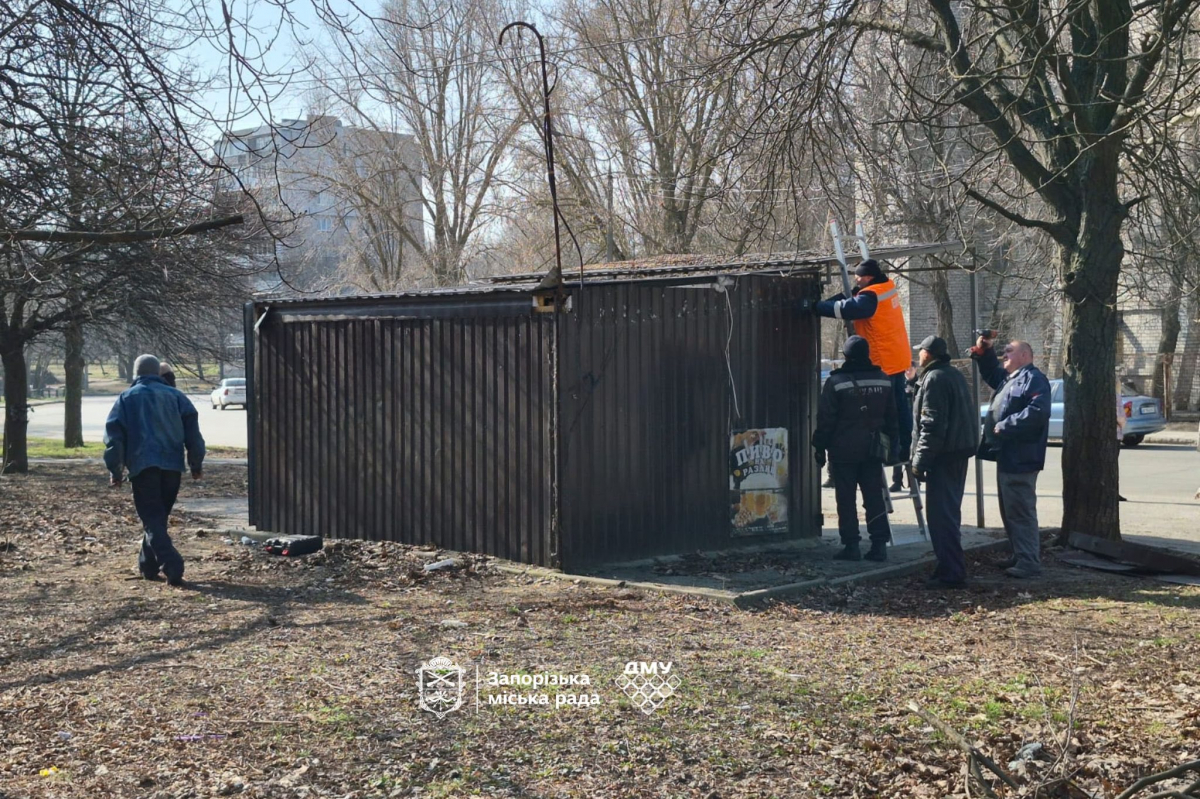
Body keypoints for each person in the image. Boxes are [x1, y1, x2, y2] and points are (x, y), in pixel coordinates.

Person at [104, 354, 205, 585]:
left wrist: (115, 470)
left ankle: (172, 564)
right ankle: (147, 566)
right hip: (172, 466)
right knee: (158, 519)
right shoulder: (177, 397)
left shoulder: (126, 398)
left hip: (142, 466)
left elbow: (114, 438)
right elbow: (194, 436)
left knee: (152, 520)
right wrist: (196, 464)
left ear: (136, 373)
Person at [815, 259, 914, 492]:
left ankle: (892, 451)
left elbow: (852, 308)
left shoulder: (869, 297)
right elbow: (852, 297)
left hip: (884, 360)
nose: (856, 280)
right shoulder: (886, 286)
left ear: (868, 277)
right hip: (898, 356)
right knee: (900, 409)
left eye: (858, 276)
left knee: (887, 412)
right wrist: (827, 302)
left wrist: (817, 308)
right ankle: (901, 451)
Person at [812, 335, 898, 562]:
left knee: (846, 499)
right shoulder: (883, 379)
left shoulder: (836, 382)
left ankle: (851, 546)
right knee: (874, 497)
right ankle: (879, 545)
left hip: (843, 450)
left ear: (846, 356)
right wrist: (894, 447)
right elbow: (892, 418)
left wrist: (820, 447)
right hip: (873, 449)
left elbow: (826, 419)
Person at [972, 337, 1051, 578]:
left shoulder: (1034, 379)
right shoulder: (1011, 378)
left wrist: (1007, 425)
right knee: (1010, 510)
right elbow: (992, 374)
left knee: (1021, 511)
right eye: (1003, 351)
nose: (1004, 355)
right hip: (1007, 456)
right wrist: (985, 353)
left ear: (1025, 356)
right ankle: (1020, 554)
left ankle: (1029, 562)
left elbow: (1039, 411)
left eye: (1009, 351)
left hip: (1021, 458)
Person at [910, 336, 979, 588]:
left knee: (942, 516)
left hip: (944, 456)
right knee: (947, 514)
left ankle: (952, 572)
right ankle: (946, 566)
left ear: (928, 354)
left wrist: (920, 461)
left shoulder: (935, 379)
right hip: (956, 453)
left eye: (920, 352)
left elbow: (932, 425)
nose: (918, 355)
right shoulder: (952, 374)